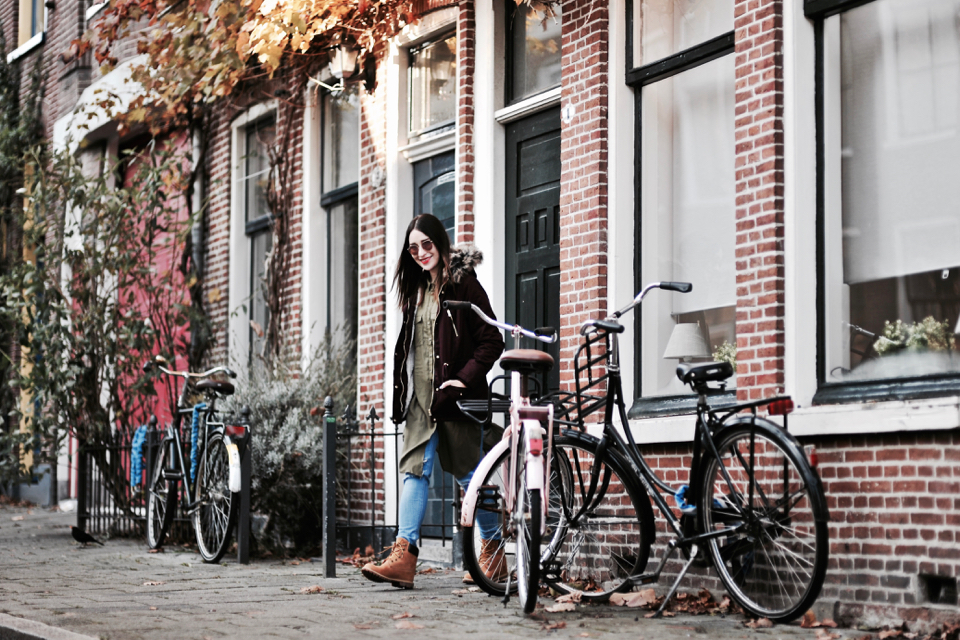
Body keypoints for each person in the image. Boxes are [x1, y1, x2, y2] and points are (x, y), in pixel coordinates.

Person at [361, 213, 505, 589]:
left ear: (440, 243)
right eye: (413, 248)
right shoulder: (416, 291)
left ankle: (492, 555)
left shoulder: (463, 284)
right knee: (414, 469)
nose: (421, 253)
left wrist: (462, 380)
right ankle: (404, 557)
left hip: (456, 400)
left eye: (427, 244)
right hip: (420, 402)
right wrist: (400, 394)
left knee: (472, 476)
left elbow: (492, 340)